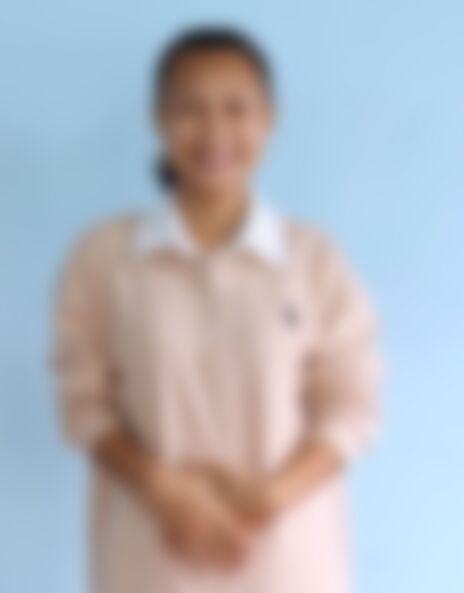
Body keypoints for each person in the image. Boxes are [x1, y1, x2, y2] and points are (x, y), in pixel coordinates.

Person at [53, 26, 381, 593]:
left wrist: (269, 497)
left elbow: (352, 407)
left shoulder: (313, 260)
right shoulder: (105, 258)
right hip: (151, 552)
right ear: (159, 119)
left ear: (268, 119)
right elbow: (83, 404)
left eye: (236, 109)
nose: (214, 131)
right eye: (190, 109)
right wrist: (163, 490)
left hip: (288, 556)